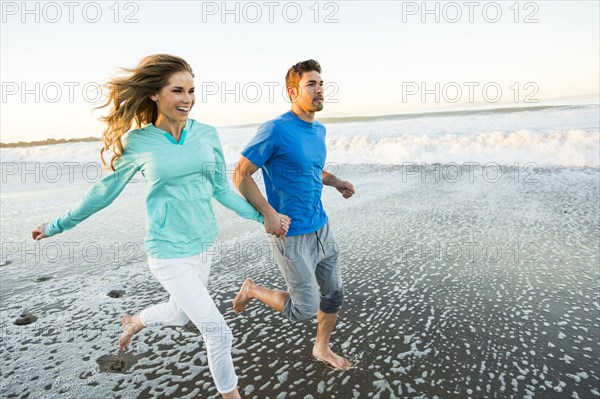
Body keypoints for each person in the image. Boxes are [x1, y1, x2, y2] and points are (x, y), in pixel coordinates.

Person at [31, 54, 290, 399]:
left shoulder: (206, 134)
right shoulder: (138, 143)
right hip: (167, 253)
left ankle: (136, 320)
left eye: (192, 91)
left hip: (203, 247)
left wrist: (264, 216)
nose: (187, 99)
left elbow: (219, 189)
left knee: (179, 314)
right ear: (155, 93)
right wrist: (58, 225)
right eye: (177, 90)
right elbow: (103, 193)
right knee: (218, 332)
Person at [231, 59, 355, 370]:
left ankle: (322, 348)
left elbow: (311, 169)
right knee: (303, 309)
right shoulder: (275, 129)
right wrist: (269, 213)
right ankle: (252, 290)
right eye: (311, 84)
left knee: (334, 295)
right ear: (292, 91)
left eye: (321, 84)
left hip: (321, 228)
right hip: (291, 235)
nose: (319, 90)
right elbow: (240, 175)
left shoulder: (319, 130)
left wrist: (336, 182)